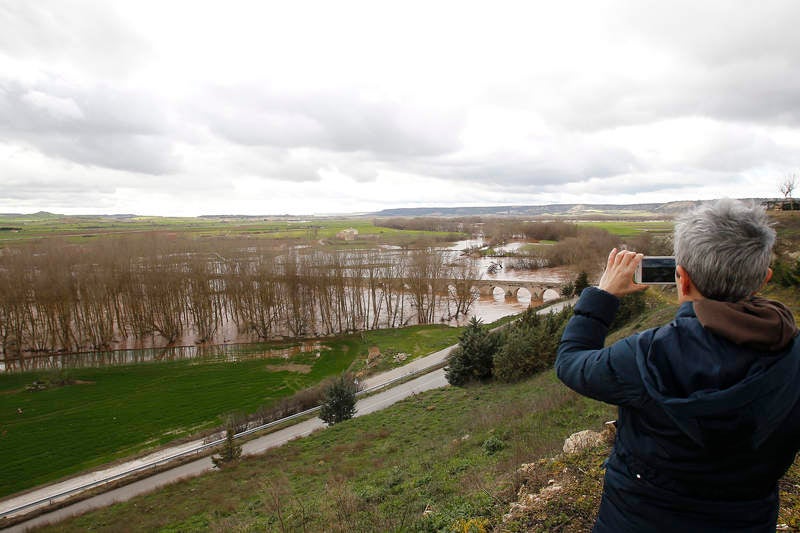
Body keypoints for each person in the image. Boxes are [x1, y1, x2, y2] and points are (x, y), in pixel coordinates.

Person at [556, 199, 800, 532]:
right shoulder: (793, 352)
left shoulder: (648, 355)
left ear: (681, 279)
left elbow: (571, 362)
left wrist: (603, 295)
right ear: (763, 279)